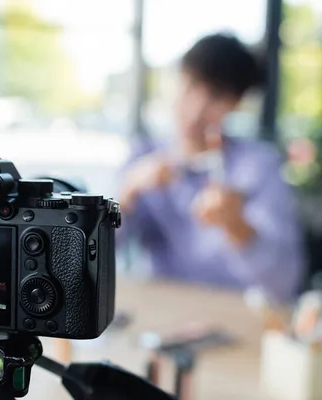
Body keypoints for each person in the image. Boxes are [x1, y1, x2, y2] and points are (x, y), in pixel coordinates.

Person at [119, 33, 305, 301]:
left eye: (216, 96)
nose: (196, 111)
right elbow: (93, 260)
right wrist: (127, 193)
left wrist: (237, 226)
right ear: (177, 79)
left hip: (235, 318)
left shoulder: (258, 166)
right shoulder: (142, 156)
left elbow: (285, 284)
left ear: (237, 104)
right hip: (161, 310)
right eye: (191, 85)